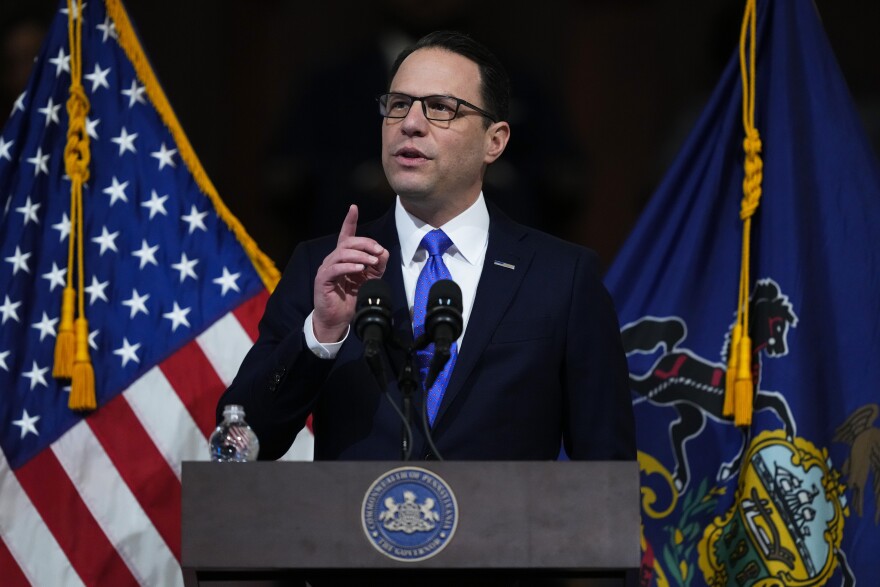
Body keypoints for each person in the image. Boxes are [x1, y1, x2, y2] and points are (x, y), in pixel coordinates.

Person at [218, 31, 635, 463]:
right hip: (349, 530)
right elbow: (241, 440)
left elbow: (606, 474)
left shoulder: (562, 278)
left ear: (495, 141)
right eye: (398, 105)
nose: (410, 123)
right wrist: (321, 334)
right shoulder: (323, 266)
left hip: (507, 531)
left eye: (440, 108)